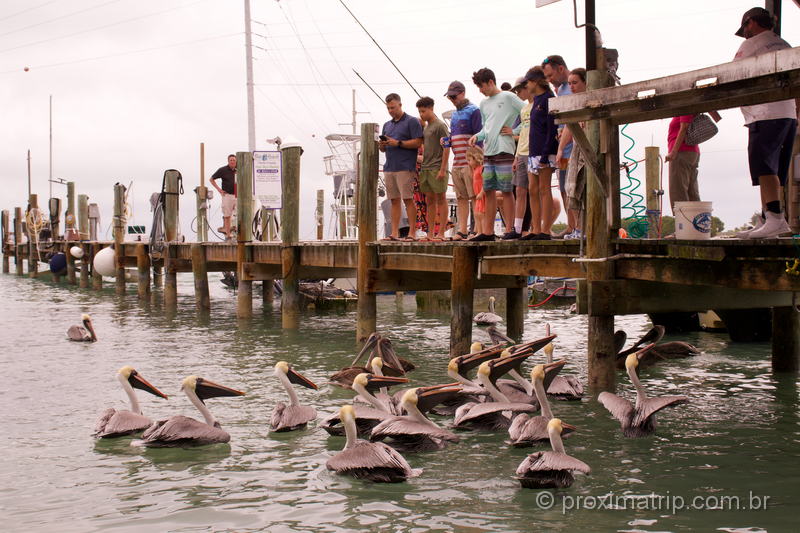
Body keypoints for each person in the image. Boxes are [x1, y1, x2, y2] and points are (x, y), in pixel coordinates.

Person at [734, 7, 798, 239]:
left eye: (746, 28)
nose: (746, 34)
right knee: (776, 169)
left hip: (765, 113)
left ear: (751, 22)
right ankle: (767, 219)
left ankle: (775, 219)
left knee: (764, 168)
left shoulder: (751, 45)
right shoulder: (784, 44)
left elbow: (733, 74)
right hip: (788, 113)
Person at [467, 67, 526, 241]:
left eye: (481, 86)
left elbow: (529, 112)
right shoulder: (484, 103)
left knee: (507, 190)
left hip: (504, 148)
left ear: (491, 82)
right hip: (488, 150)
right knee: (489, 190)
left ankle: (511, 229)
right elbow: (486, 127)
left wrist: (515, 130)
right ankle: (487, 231)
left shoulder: (508, 96)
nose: (480, 90)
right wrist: (477, 136)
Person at [379, 93, 424, 241]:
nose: (391, 110)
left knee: (408, 199)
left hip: (405, 166)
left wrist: (398, 143)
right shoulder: (387, 125)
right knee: (393, 200)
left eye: (393, 107)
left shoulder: (412, 121)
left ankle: (412, 232)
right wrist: (383, 145)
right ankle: (394, 233)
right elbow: (383, 149)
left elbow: (418, 142)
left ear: (400, 104)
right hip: (390, 166)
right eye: (388, 108)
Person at [444, 81, 483, 240]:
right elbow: (454, 136)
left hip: (470, 161)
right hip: (457, 161)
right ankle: (462, 230)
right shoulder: (453, 114)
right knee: (461, 197)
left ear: (462, 93)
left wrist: (478, 161)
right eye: (450, 97)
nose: (452, 99)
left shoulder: (474, 111)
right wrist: (447, 141)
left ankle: (476, 229)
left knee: (474, 196)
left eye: (454, 96)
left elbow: (479, 136)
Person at [543, 55, 577, 236]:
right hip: (562, 149)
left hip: (573, 147)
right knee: (564, 188)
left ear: (561, 69)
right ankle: (571, 226)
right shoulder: (561, 89)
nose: (549, 81)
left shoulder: (573, 85)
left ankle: (579, 226)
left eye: (550, 76)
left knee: (574, 188)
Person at [524, 66, 558, 240]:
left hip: (545, 151)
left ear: (536, 81)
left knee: (545, 189)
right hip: (533, 151)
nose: (526, 85)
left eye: (528, 82)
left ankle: (545, 229)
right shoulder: (536, 100)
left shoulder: (548, 99)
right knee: (533, 189)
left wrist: (545, 154)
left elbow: (552, 129)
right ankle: (535, 228)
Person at [416, 97, 450, 240]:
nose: (421, 114)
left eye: (423, 111)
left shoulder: (440, 126)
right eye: (419, 111)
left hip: (437, 167)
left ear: (431, 108)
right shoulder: (427, 127)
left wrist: (443, 169)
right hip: (426, 168)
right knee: (429, 201)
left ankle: (441, 232)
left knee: (441, 199)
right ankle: (430, 233)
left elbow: (447, 147)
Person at [505, 76, 533, 239]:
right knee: (519, 190)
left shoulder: (531, 106)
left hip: (532, 153)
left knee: (533, 192)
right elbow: (522, 134)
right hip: (519, 153)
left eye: (518, 90)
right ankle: (517, 228)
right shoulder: (522, 110)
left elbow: (521, 133)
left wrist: (510, 134)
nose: (516, 94)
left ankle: (530, 228)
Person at [564, 68, 588, 239]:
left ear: (585, 82)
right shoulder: (574, 102)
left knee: (586, 190)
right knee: (572, 188)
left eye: (575, 82)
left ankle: (586, 229)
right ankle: (578, 228)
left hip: (589, 153)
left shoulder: (592, 99)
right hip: (576, 150)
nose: (571, 86)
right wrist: (560, 149)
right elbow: (568, 124)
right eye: (569, 83)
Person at [665, 115, 701, 212]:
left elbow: (684, 127)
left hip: (682, 151)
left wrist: (673, 152)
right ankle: (696, 222)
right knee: (692, 191)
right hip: (691, 151)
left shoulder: (684, 108)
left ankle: (683, 223)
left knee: (678, 190)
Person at [210, 154, 237, 239]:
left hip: (238, 195)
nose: (232, 161)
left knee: (240, 214)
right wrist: (219, 190)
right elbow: (211, 179)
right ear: (228, 161)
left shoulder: (239, 170)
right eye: (231, 160)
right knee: (227, 215)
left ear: (236, 161)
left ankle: (238, 232)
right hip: (227, 195)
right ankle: (228, 234)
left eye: (234, 160)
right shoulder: (223, 170)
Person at [466, 146, 486, 233]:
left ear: (476, 159)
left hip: (482, 195)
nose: (468, 163)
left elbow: (485, 182)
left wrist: (482, 192)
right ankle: (479, 231)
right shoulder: (475, 169)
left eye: (469, 160)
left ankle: (483, 231)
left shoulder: (482, 168)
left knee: (482, 214)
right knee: (477, 214)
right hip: (478, 195)